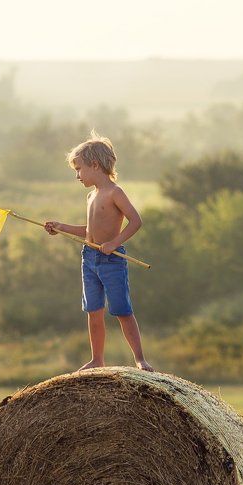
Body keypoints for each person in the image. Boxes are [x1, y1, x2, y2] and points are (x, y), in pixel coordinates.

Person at [44, 133, 154, 372]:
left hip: (111, 260)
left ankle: (140, 359)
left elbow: (136, 221)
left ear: (95, 165)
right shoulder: (91, 195)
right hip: (89, 258)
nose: (77, 175)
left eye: (79, 169)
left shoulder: (115, 193)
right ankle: (97, 359)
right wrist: (61, 227)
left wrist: (115, 242)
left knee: (122, 311)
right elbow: (89, 230)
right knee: (93, 311)